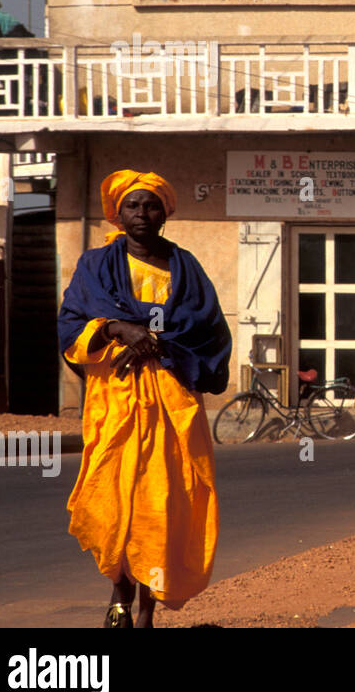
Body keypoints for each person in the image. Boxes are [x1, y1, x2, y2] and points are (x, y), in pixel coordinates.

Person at [57, 170, 232, 628]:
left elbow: (209, 328)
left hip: (174, 400)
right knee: (115, 498)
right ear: (118, 213)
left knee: (165, 502)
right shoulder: (96, 266)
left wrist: (159, 343)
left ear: (164, 213)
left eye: (150, 205)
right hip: (116, 400)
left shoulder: (186, 267)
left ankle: (148, 610)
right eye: (132, 206)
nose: (141, 214)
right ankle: (119, 591)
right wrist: (119, 328)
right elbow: (72, 324)